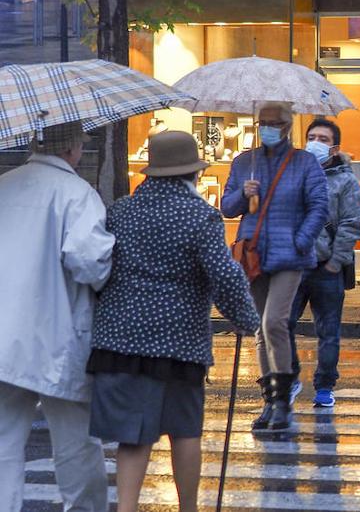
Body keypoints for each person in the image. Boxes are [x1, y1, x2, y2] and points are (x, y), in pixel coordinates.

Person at [89, 131, 260, 512]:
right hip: (179, 341)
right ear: (192, 174)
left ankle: (126, 507)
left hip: (122, 338)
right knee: (184, 430)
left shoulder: (120, 211)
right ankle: (188, 509)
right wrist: (247, 320)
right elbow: (224, 275)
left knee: (134, 436)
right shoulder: (201, 216)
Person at [0, 122, 113, 512]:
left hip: (4, 338)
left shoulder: (5, 184)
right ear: (72, 150)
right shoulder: (77, 194)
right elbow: (89, 263)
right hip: (58, 336)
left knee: (2, 445)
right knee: (76, 444)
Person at [222, 101, 329, 432]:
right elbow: (227, 207)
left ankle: (282, 400)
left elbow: (319, 206)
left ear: (287, 126)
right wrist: (244, 192)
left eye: (274, 122)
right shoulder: (244, 162)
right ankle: (270, 401)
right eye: (263, 122)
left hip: (290, 255)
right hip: (254, 253)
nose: (267, 127)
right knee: (259, 327)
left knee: (274, 322)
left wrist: (301, 240)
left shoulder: (304, 163)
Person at [287, 118, 360, 409]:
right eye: (312, 137)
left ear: (334, 148)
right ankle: (290, 377)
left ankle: (324, 385)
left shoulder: (344, 180)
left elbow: (355, 220)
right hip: (293, 265)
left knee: (328, 330)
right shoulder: (293, 174)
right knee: (281, 325)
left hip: (326, 266)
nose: (315, 143)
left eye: (323, 139)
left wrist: (337, 260)